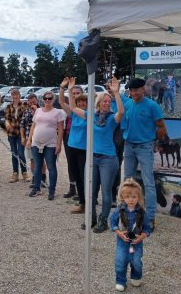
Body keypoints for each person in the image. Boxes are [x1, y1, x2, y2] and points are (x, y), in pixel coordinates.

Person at [69, 76, 124, 232]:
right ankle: (91, 218)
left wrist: (116, 93)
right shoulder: (91, 115)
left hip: (108, 159)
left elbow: (121, 112)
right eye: (104, 101)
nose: (107, 103)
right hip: (92, 158)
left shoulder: (112, 118)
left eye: (108, 101)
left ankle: (103, 220)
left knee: (106, 192)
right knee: (90, 191)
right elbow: (73, 108)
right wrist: (69, 90)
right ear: (98, 103)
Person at [122, 78, 166, 231]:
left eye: (136, 90)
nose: (134, 93)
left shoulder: (152, 106)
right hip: (128, 147)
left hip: (145, 147)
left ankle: (150, 218)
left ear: (143, 89)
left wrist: (154, 142)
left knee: (148, 183)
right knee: (127, 182)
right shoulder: (128, 104)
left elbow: (161, 127)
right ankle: (128, 215)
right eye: (131, 90)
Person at [110, 178, 151, 292]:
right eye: (127, 197)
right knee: (120, 261)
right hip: (122, 242)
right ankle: (120, 281)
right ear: (123, 197)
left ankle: (136, 276)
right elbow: (112, 223)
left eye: (134, 197)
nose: (131, 200)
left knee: (137, 262)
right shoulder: (119, 210)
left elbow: (148, 228)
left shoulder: (143, 212)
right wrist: (119, 233)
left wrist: (142, 236)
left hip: (137, 243)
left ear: (139, 197)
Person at [26, 91, 65, 200]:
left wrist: (59, 144)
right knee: (37, 166)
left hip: (50, 144)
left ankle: (51, 190)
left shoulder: (58, 112)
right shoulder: (38, 111)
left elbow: (61, 130)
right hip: (36, 143)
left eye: (50, 98)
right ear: (42, 99)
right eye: (45, 98)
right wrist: (29, 139)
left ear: (53, 99)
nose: (47, 100)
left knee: (51, 167)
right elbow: (33, 126)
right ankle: (36, 188)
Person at [59, 77, 88, 213]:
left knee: (84, 176)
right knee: (76, 175)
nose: (81, 103)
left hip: (84, 149)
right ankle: (82, 203)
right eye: (79, 101)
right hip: (72, 147)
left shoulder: (89, 114)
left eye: (84, 101)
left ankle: (89, 202)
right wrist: (66, 89)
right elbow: (64, 103)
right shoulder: (74, 113)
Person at [106, 79, 131, 205]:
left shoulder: (126, 101)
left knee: (115, 165)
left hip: (119, 133)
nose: (110, 90)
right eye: (108, 88)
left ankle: (113, 195)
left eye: (112, 87)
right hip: (106, 134)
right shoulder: (105, 100)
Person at [20, 94, 48, 188]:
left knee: (41, 160)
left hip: (41, 139)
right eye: (30, 102)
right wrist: (23, 137)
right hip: (29, 139)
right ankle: (35, 178)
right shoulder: (26, 111)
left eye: (33, 102)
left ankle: (43, 178)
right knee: (32, 160)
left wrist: (36, 111)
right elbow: (22, 125)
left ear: (37, 101)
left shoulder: (43, 110)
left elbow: (45, 122)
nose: (31, 103)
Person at [5, 89, 30, 183]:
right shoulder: (8, 106)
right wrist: (7, 123)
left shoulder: (25, 105)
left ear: (19, 95)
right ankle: (15, 173)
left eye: (16, 95)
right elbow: (7, 118)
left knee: (21, 153)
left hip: (21, 134)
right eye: (13, 95)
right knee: (14, 153)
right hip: (11, 133)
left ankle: (24, 173)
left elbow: (27, 118)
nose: (15, 96)